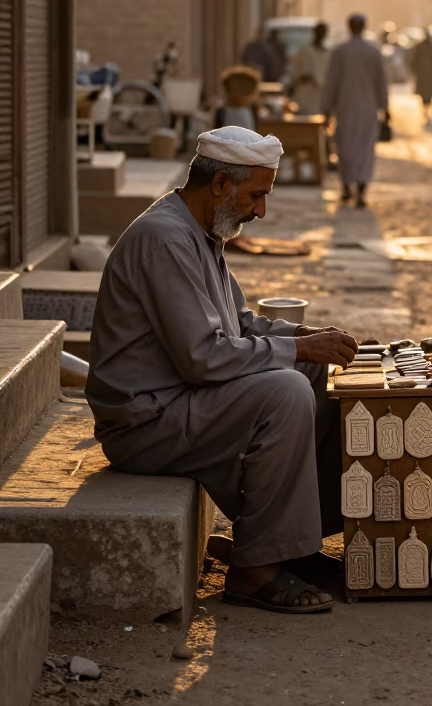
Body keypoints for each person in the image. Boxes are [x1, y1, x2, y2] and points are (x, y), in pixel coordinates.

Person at [85, 126, 359, 613]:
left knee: (318, 377)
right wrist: (300, 351)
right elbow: (204, 356)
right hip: (146, 423)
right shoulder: (165, 239)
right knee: (287, 391)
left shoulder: (199, 232)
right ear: (220, 186)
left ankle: (291, 546)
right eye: (257, 195)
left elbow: (241, 323)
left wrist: (313, 340)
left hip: (180, 402)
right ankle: (254, 571)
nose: (261, 211)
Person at [321, 13, 389, 208]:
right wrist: (385, 109)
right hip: (368, 109)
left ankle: (347, 187)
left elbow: (331, 82)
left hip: (345, 108)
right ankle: (360, 188)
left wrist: (326, 108)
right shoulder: (372, 52)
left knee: (346, 148)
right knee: (365, 149)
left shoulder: (341, 51)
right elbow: (381, 84)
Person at [292, 22, 330, 115]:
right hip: (305, 93)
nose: (320, 35)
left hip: (320, 95)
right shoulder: (304, 50)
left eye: (323, 32)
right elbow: (295, 72)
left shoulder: (328, 53)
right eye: (318, 32)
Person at [413, 28, 432, 115]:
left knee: (429, 91)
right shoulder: (421, 47)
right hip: (423, 73)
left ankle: (427, 106)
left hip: (429, 73)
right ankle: (425, 106)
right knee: (424, 92)